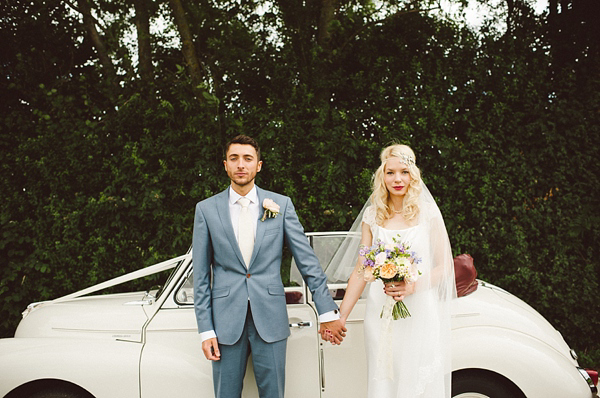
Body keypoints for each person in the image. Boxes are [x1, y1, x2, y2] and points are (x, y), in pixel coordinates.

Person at [193, 135, 347, 398]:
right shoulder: (206, 210)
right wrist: (206, 330)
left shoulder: (281, 205)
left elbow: (306, 260)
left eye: (247, 159)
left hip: (271, 318)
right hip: (225, 324)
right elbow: (200, 276)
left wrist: (327, 313)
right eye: (234, 159)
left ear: (259, 165)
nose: (241, 165)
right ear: (225, 165)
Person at [323, 144, 456, 397]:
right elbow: (362, 270)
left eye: (404, 172)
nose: (397, 179)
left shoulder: (427, 214)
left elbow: (445, 267)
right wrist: (341, 317)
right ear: (381, 176)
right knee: (384, 377)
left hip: (419, 310)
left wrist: (413, 286)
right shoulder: (373, 216)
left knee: (416, 378)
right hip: (380, 312)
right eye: (390, 172)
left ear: (413, 175)